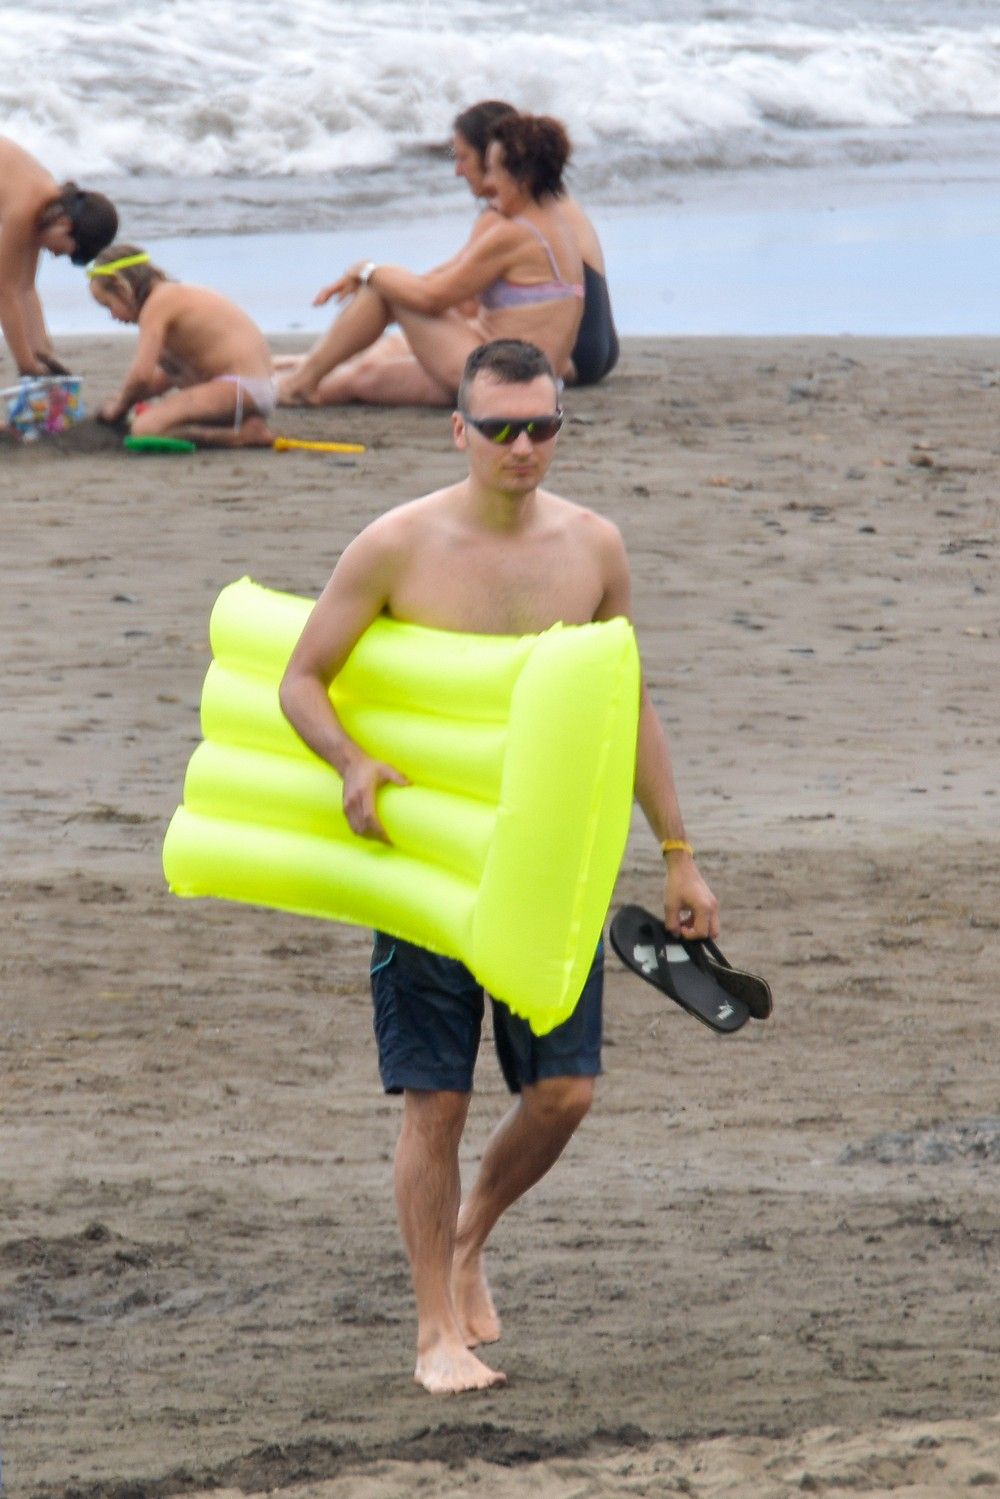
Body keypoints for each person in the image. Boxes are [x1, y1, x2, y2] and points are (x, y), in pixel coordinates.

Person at [278, 338, 718, 1394]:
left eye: (543, 427)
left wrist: (679, 852)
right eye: (501, 428)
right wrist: (349, 761)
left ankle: (469, 1236)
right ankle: (436, 1329)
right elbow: (302, 677)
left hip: (552, 862)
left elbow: (629, 702)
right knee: (435, 1100)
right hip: (429, 863)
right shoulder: (394, 544)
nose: (524, 447)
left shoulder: (593, 546)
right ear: (458, 429)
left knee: (564, 1090)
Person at [275, 114, 584, 408]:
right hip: (521, 380)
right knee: (365, 377)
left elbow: (429, 298)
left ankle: (298, 383)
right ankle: (268, 389)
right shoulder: (558, 225)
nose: (488, 183)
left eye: (493, 171)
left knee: (384, 286)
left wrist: (366, 271)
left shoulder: (517, 234)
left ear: (523, 178)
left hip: (499, 378)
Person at [452, 101, 620, 388]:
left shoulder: (509, 214)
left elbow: (463, 301)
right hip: (600, 344)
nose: (458, 170)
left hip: (570, 352)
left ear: (490, 155)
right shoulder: (552, 202)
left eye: (463, 157)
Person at [89, 244, 277, 448]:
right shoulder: (172, 297)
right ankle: (238, 424)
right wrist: (124, 396)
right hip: (252, 388)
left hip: (240, 386)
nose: (112, 316)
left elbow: (141, 376)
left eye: (108, 305)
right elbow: (169, 374)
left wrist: (121, 405)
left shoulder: (158, 304)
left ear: (122, 288)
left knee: (145, 429)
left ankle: (239, 436)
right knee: (155, 413)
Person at [0, 135, 118, 377]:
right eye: (66, 252)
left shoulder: (45, 208)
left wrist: (44, 352)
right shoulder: (25, 207)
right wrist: (27, 365)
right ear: (64, 224)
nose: (55, 255)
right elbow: (5, 292)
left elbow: (25, 288)